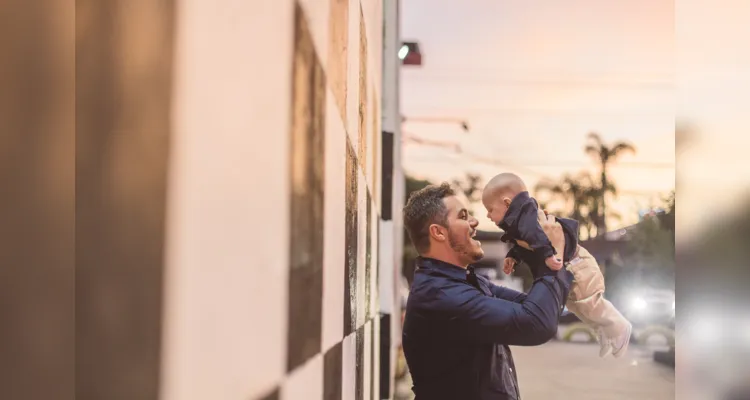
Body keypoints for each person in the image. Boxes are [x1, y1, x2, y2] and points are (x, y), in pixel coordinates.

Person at [402, 182, 573, 400]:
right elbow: (537, 324)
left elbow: (538, 306)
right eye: (463, 216)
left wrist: (533, 246)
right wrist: (552, 253)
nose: (475, 221)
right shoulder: (442, 296)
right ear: (438, 233)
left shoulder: (465, 283)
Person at [481, 172, 632, 358]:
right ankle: (606, 331)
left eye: (489, 209)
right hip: (570, 265)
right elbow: (528, 244)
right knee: (578, 307)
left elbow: (538, 237)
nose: (487, 215)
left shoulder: (526, 217)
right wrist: (514, 256)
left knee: (590, 303)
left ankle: (619, 327)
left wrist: (549, 255)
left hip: (576, 263)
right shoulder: (518, 224)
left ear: (506, 203)